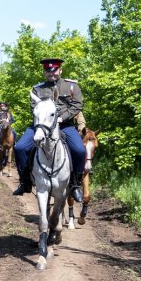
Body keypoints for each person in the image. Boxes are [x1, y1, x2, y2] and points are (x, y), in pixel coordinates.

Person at [12, 58, 86, 202]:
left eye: (54, 70)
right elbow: (34, 108)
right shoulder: (37, 89)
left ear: (60, 70)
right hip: (42, 125)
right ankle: (25, 182)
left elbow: (77, 105)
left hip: (65, 125)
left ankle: (75, 185)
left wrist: (62, 118)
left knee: (80, 151)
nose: (51, 73)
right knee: (20, 147)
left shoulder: (71, 86)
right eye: (48, 71)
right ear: (44, 72)